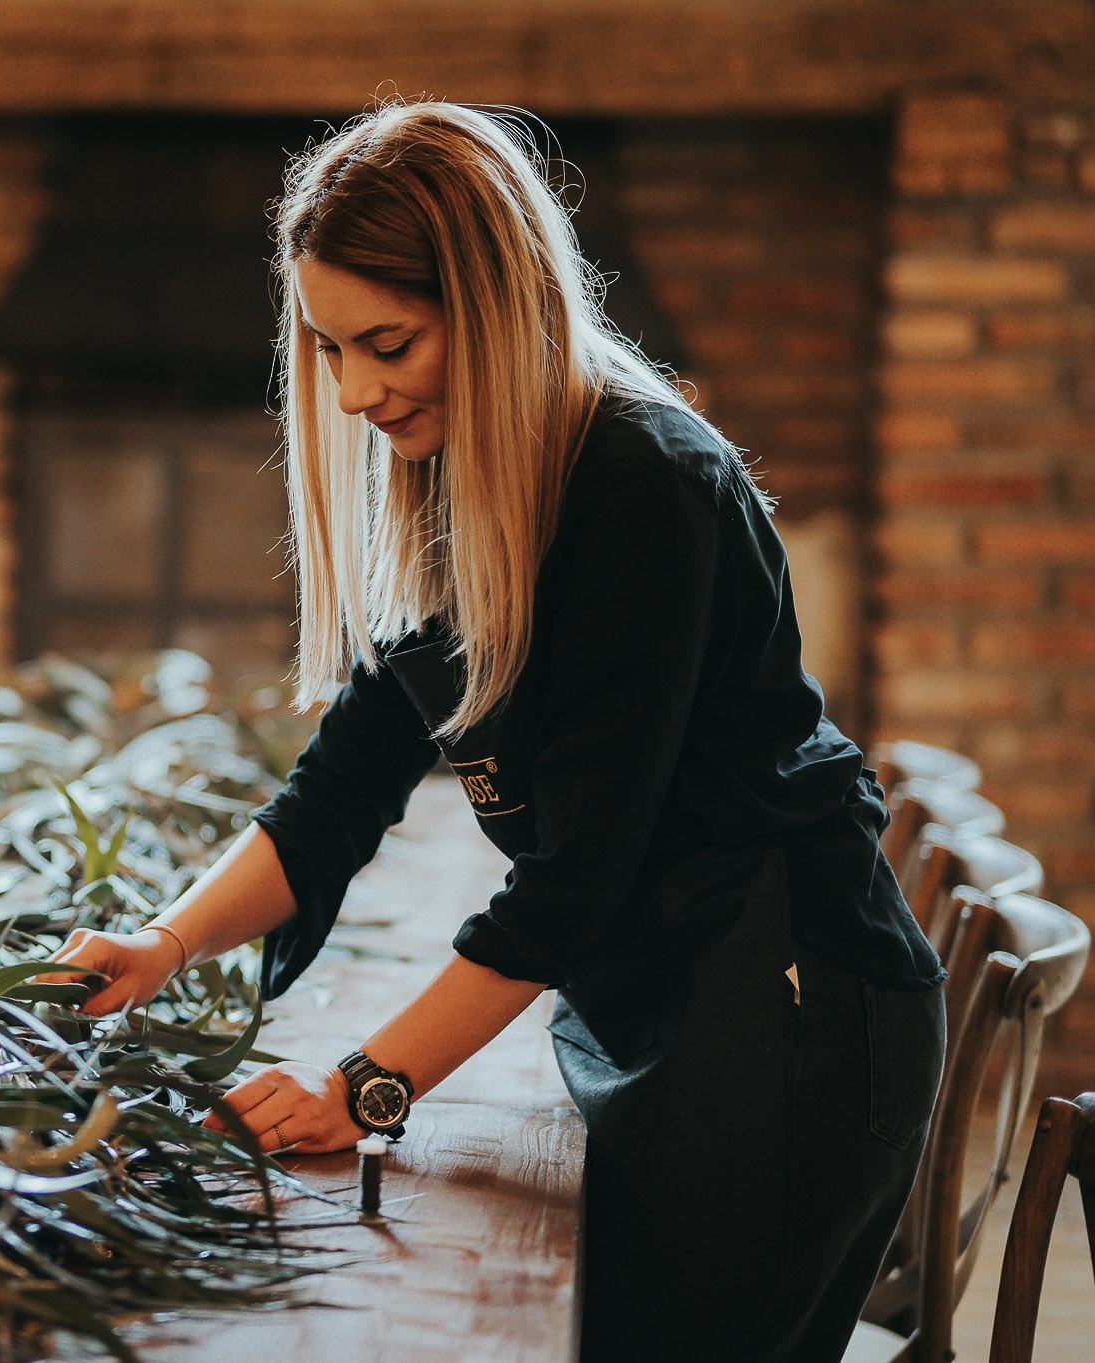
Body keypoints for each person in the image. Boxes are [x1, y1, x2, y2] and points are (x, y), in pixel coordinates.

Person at [46, 102, 945, 1362]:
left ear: (495, 304)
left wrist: (359, 1087)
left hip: (784, 1011)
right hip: (654, 992)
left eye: (387, 343)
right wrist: (164, 940)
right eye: (327, 350)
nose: (353, 391)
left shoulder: (645, 485)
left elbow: (573, 878)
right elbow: (338, 788)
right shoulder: (455, 487)